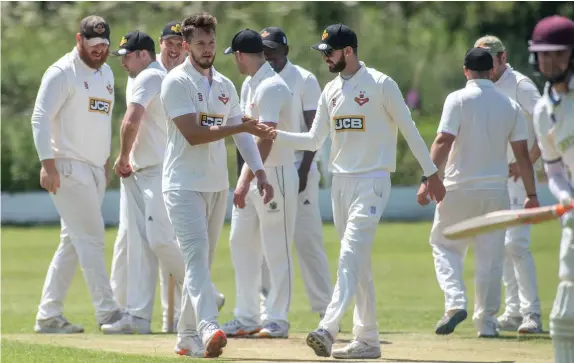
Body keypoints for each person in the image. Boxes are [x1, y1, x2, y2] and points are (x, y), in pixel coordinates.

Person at [269, 23, 445, 359]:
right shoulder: (330, 90)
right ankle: (368, 340)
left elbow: (408, 129)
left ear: (348, 51)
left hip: (373, 181)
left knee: (350, 255)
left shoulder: (381, 84)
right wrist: (274, 135)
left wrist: (431, 173)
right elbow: (313, 140)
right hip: (341, 183)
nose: (325, 59)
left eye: (330, 52)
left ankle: (328, 328)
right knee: (357, 263)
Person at [160, 12, 274, 358]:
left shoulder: (224, 85)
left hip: (215, 185)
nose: (207, 49)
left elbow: (242, 133)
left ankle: (186, 338)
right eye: (200, 44)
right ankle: (210, 326)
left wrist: (260, 172)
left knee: (202, 263)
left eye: (211, 43)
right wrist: (241, 128)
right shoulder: (176, 82)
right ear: (185, 46)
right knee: (195, 260)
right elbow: (194, 135)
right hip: (181, 185)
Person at [422, 47, 539, 338]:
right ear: (491, 71)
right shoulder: (509, 105)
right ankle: (486, 323)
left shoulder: (457, 99)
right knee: (491, 258)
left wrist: (428, 178)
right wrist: (531, 194)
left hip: (458, 188)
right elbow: (523, 155)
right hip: (496, 192)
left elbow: (443, 140)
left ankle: (454, 302)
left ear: (466, 71)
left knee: (444, 244)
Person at [31, 15, 123, 333]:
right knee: (92, 238)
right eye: (93, 44)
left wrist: (105, 159)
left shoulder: (107, 73)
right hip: (68, 167)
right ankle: (109, 314)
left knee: (72, 243)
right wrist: (48, 164)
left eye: (104, 45)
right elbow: (40, 118)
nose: (99, 50)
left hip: (94, 169)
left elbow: (102, 118)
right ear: (79, 39)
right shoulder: (62, 72)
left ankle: (48, 316)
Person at [99, 30, 184, 335]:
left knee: (159, 239)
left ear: (143, 54)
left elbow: (131, 121)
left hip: (157, 170)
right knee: (139, 244)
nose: (123, 62)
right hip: (142, 171)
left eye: (127, 56)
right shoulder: (141, 76)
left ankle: (207, 295)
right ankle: (138, 316)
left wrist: (122, 157)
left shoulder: (150, 76)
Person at [221, 28, 298, 340]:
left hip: (275, 174)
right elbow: (244, 133)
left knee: (276, 248)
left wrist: (243, 181)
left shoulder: (272, 86)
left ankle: (277, 318)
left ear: (241, 55)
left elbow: (266, 139)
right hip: (254, 176)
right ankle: (247, 316)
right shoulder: (249, 83)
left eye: (235, 57)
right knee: (240, 243)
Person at [256, 26, 333, 323]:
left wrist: (303, 171)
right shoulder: (258, 78)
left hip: (299, 166)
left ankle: (326, 310)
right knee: (269, 240)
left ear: (285, 50)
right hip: (269, 168)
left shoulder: (303, 79)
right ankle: (267, 309)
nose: (268, 56)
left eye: (273, 50)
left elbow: (315, 130)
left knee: (307, 239)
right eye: (263, 51)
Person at [474, 35, 544, 334]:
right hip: (495, 177)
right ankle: (514, 311)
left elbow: (547, 124)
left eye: (491, 59)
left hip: (520, 178)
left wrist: (526, 160)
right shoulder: (482, 85)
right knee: (501, 246)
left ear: (502, 57)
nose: (487, 66)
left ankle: (533, 314)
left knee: (517, 244)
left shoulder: (521, 85)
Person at [527, 14, 574, 363]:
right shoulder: (543, 112)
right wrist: (566, 199)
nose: (550, 61)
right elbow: (554, 169)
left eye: (558, 53)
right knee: (565, 311)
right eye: (544, 54)